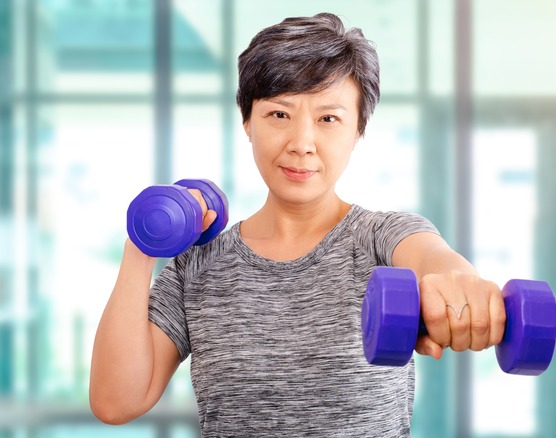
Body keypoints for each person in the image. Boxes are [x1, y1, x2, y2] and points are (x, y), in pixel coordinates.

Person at [90, 12, 506, 437]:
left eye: (329, 119)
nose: (302, 144)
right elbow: (115, 401)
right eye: (279, 115)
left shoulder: (383, 238)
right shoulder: (197, 267)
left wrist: (458, 282)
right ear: (247, 122)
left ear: (358, 130)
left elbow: (434, 259)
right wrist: (143, 247)